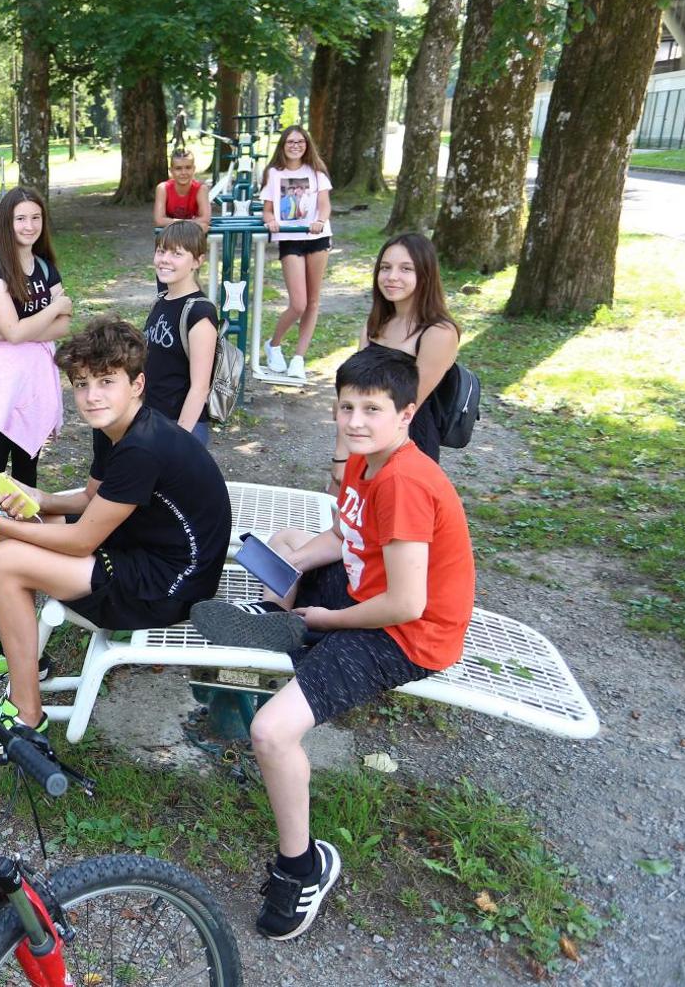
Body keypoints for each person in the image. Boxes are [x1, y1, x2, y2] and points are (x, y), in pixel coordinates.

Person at [190, 346, 475, 941]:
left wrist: (326, 614)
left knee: (271, 730)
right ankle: (286, 615)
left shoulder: (404, 482)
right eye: (347, 406)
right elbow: (344, 534)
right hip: (364, 593)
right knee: (287, 541)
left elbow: (406, 605)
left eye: (372, 409)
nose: (355, 421)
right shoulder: (363, 462)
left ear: (406, 413)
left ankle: (303, 867)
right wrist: (295, 559)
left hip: (402, 637)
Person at [0, 315, 231, 740]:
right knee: (22, 527)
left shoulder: (141, 448)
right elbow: (91, 501)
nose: (92, 397)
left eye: (106, 381)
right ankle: (26, 658)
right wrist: (39, 500)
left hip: (171, 585)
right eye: (81, 384)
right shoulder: (113, 426)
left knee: (4, 562)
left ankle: (24, 716)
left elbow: (81, 541)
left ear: (137, 384)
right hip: (145, 545)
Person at [0, 186, 73, 683]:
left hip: (35, 381)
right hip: (5, 385)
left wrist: (27, 325)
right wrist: (40, 318)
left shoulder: (44, 267)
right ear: (6, 223)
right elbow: (22, 327)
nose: (28, 226)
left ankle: (20, 543)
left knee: (28, 469)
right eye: (20, 219)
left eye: (35, 218)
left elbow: (59, 327)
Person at [325, 234, 460, 491]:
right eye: (385, 268)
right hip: (360, 436)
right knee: (343, 522)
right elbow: (348, 399)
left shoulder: (438, 333)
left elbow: (405, 409)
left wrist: (351, 460)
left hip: (405, 444)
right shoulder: (376, 323)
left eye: (405, 268)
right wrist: (342, 456)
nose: (392, 276)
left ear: (425, 274)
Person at [259, 126, 333, 381]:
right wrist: (270, 221)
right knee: (298, 303)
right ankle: (274, 344)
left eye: (300, 141)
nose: (295, 145)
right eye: (290, 141)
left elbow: (324, 206)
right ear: (283, 145)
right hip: (290, 239)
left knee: (313, 301)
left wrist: (320, 221)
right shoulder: (274, 173)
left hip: (316, 238)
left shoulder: (316, 172)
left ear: (307, 145)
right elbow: (268, 210)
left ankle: (299, 358)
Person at [142, 221, 220, 445]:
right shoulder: (160, 301)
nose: (165, 259)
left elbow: (200, 387)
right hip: (151, 421)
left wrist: (178, 440)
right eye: (161, 251)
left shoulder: (199, 313)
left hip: (181, 428)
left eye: (177, 253)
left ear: (197, 261)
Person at [153, 149, 211, 230]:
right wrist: (193, 223)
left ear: (194, 169)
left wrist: (172, 222)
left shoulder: (201, 189)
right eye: (178, 168)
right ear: (171, 170)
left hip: (194, 235)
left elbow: (205, 219)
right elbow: (159, 221)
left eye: (188, 167)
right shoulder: (163, 188)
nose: (183, 172)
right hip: (170, 234)